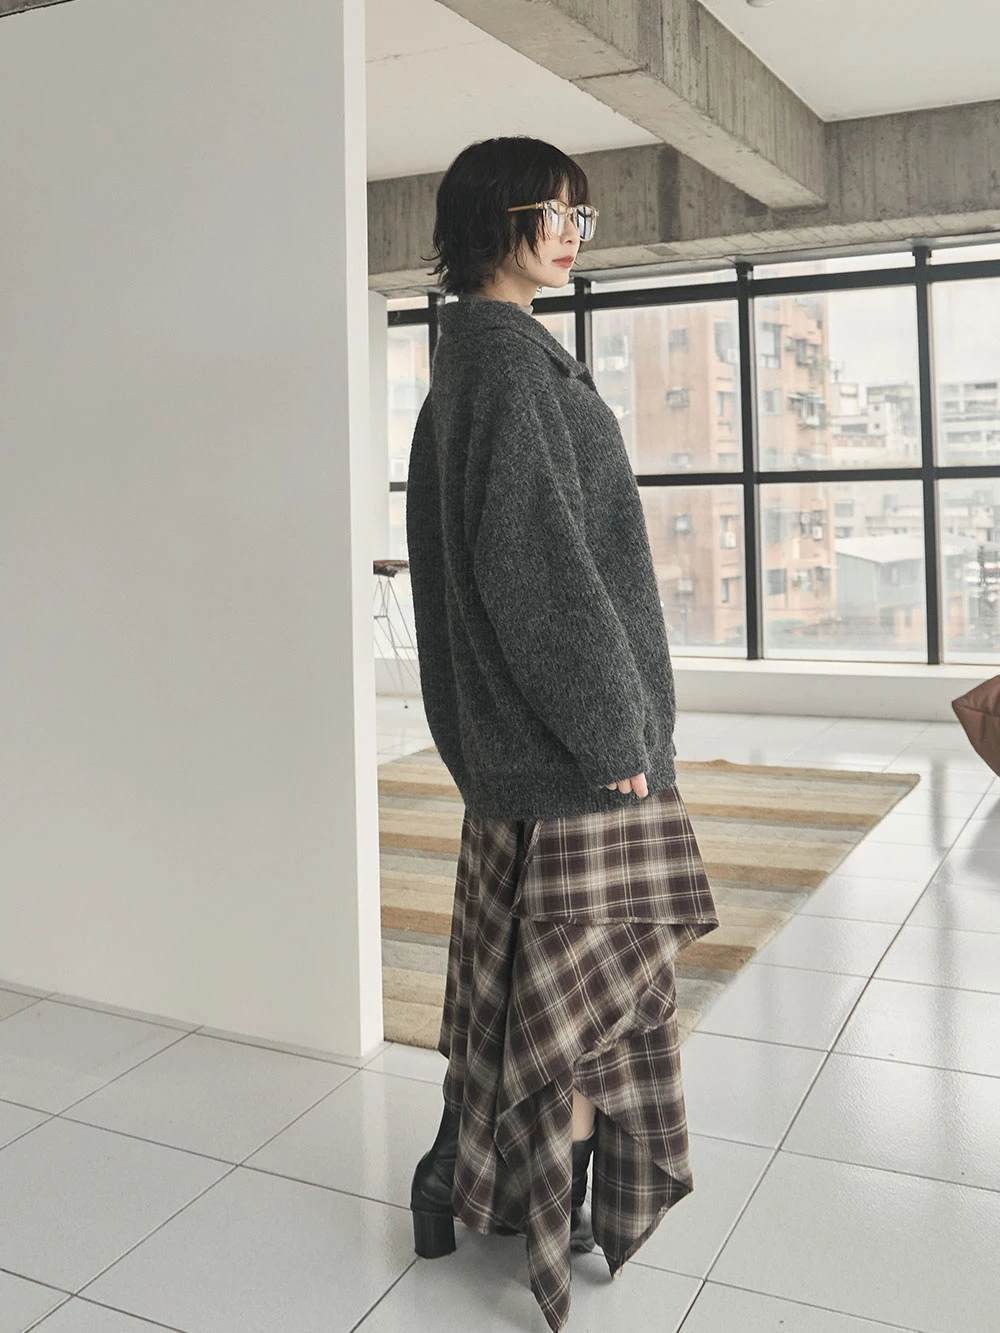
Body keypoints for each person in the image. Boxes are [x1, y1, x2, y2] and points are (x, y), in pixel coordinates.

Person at [403, 135, 720, 1333]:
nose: (571, 236)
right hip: (570, 754)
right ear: (495, 220)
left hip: (522, 751)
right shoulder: (506, 366)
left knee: (518, 984)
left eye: (580, 217)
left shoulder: (478, 361)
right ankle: (557, 1201)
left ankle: (455, 1173)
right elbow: (536, 569)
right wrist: (609, 731)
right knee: (593, 996)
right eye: (553, 213)